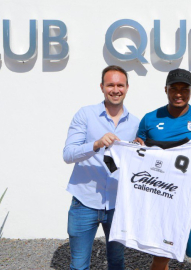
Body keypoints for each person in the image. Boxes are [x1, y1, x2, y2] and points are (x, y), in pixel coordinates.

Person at [135, 68, 191, 270]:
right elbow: (140, 153)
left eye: (184, 89)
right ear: (165, 89)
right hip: (162, 198)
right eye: (173, 88)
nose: (178, 93)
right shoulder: (150, 119)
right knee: (160, 258)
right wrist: (136, 146)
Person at [63, 65, 140, 270]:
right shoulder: (85, 115)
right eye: (110, 85)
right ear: (102, 87)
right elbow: (68, 154)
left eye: (120, 85)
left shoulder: (136, 124)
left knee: (116, 263)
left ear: (127, 87)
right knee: (79, 265)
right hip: (84, 201)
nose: (115, 89)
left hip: (118, 204)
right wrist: (95, 144)